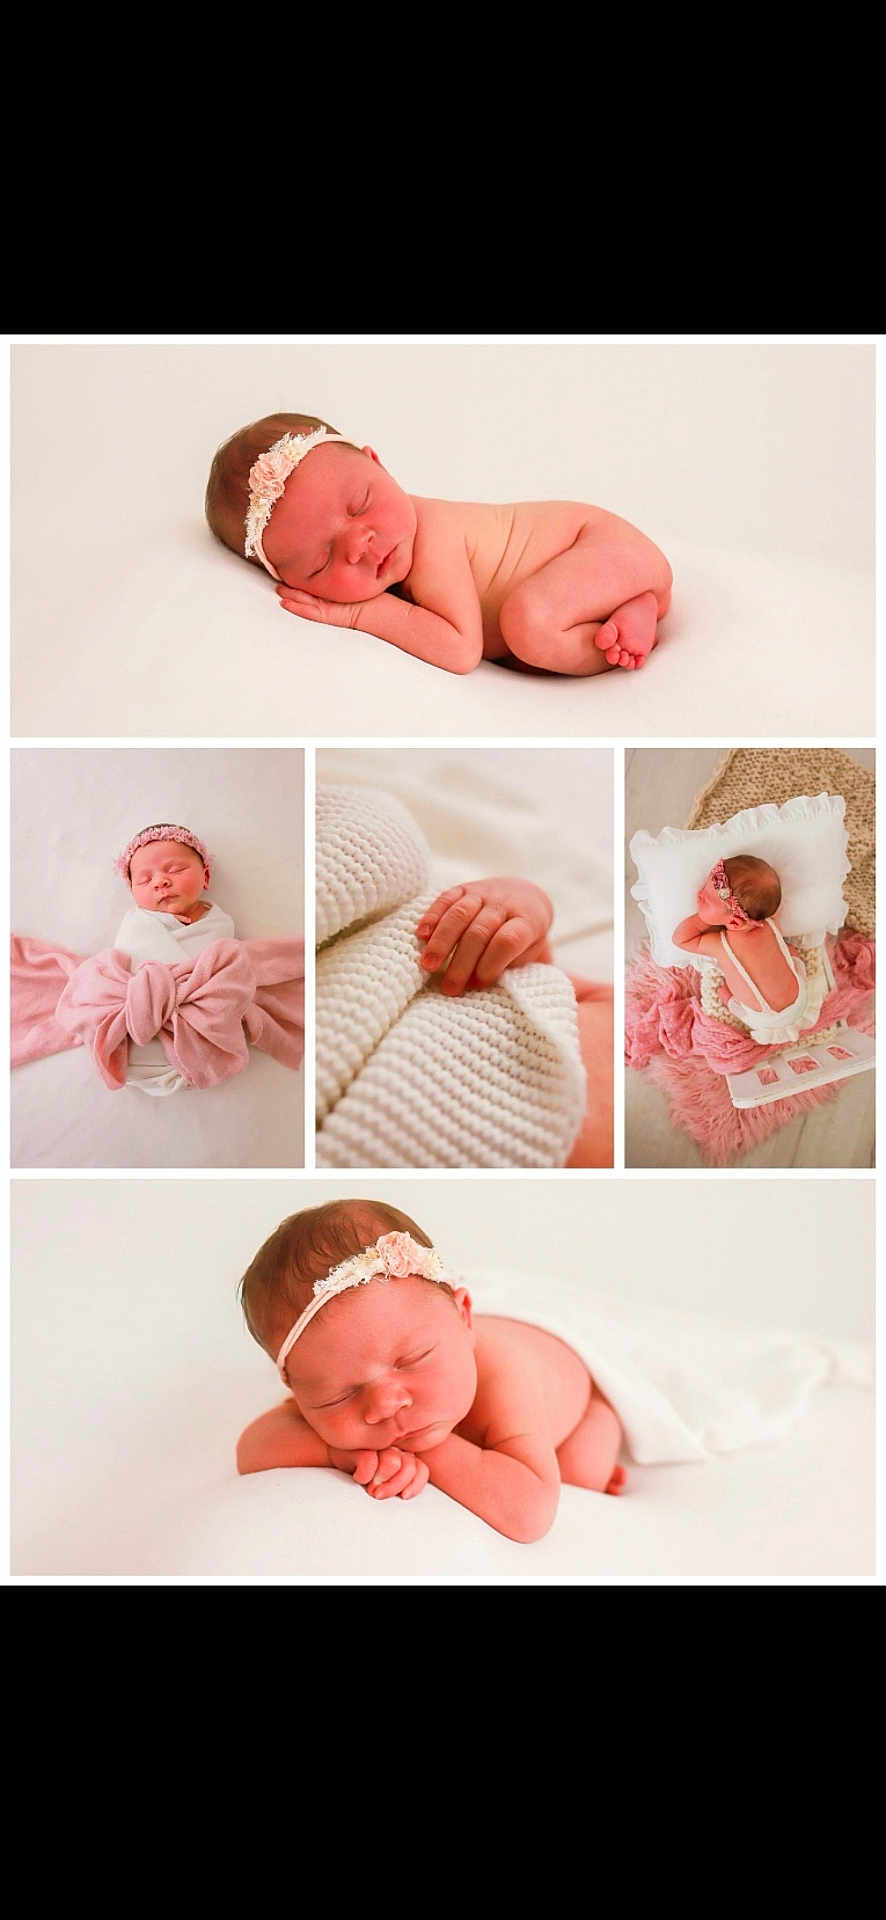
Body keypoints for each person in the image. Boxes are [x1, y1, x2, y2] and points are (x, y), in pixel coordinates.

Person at [236, 1200, 626, 1543]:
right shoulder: (343, 1359)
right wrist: (339, 1454)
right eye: (342, 1394)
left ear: (464, 1319)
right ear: (297, 1388)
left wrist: (415, 1448)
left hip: (572, 1392)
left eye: (412, 1360)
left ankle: (604, 1415)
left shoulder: (504, 1376)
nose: (386, 1404)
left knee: (580, 1475)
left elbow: (529, 1515)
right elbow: (252, 1448)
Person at [206, 414, 672, 677]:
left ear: (379, 465)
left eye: (360, 504)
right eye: (323, 559)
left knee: (528, 623)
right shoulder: (392, 556)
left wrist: (357, 613)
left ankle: (636, 607)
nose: (359, 544)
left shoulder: (433, 534)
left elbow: (460, 650)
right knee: (528, 631)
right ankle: (620, 611)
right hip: (596, 571)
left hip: (599, 545)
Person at [672, 855, 829, 1045]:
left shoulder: (720, 945)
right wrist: (715, 910)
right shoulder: (770, 923)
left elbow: (680, 939)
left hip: (764, 1018)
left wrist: (701, 919)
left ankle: (730, 999)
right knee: (790, 953)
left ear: (735, 921)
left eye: (705, 900)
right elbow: (770, 897)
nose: (698, 893)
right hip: (799, 999)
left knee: (724, 992)